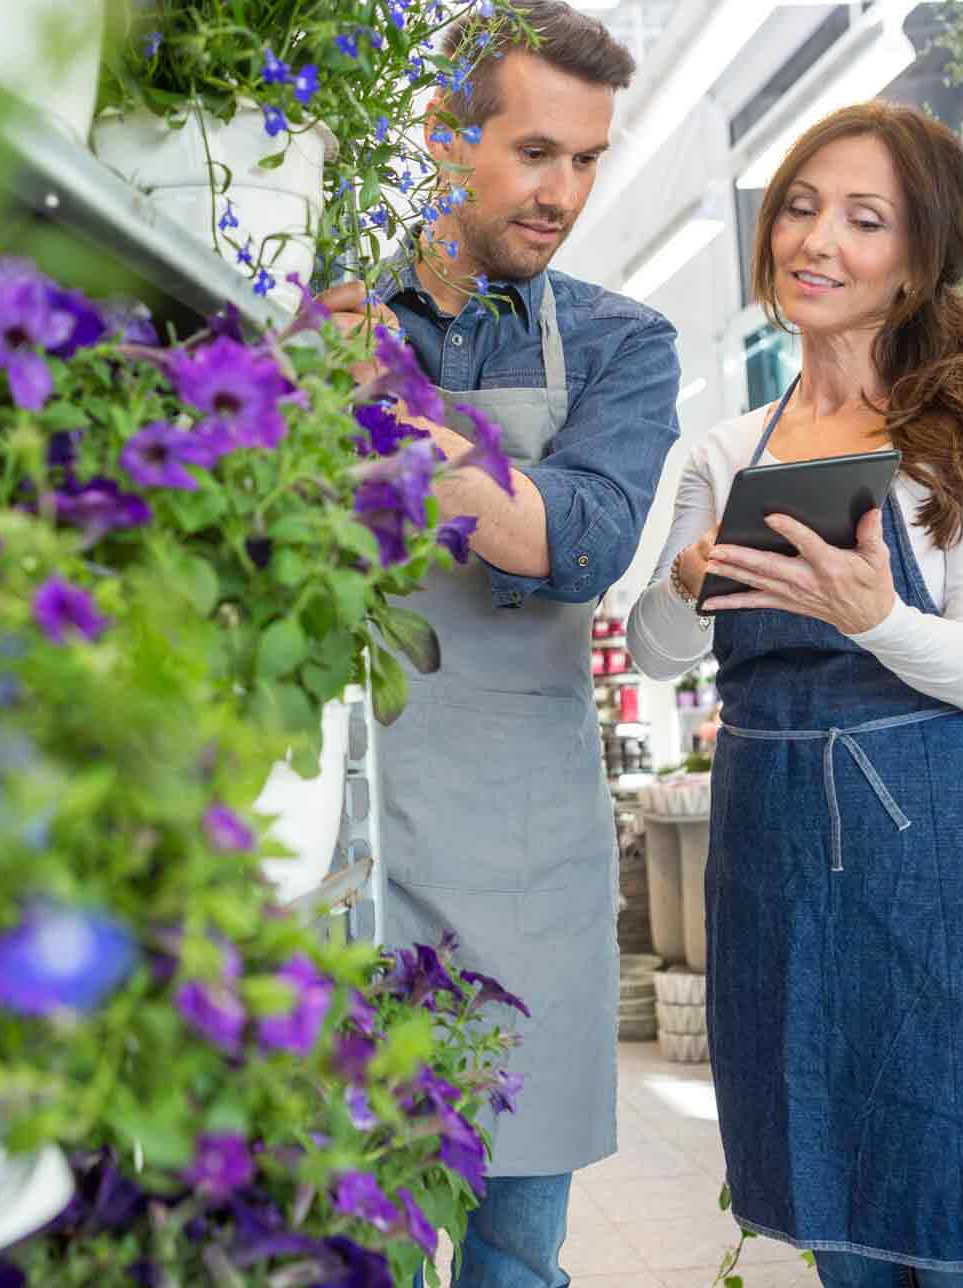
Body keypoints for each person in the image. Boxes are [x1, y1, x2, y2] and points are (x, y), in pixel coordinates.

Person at [626, 101, 963, 1287]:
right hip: (779, 881)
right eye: (803, 207)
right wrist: (683, 578)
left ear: (915, 262)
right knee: (841, 1225)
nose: (816, 240)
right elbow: (659, 655)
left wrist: (873, 614)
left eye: (863, 220)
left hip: (948, 883)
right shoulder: (723, 450)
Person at [322, 5, 680, 1284]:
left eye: (587, 161)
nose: (564, 193)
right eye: (536, 152)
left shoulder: (625, 344)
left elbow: (572, 540)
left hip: (522, 854)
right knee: (339, 1235)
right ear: (443, 136)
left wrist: (396, 412)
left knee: (515, 1253)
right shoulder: (329, 306)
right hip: (339, 839)